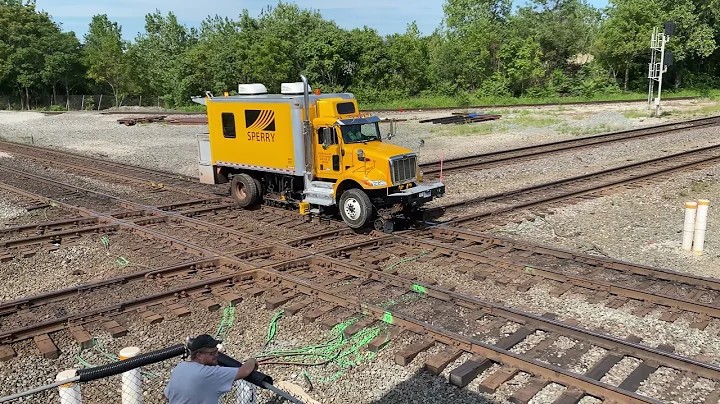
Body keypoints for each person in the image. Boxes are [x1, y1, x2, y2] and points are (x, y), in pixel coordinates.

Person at [164, 334, 259, 404]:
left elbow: (167, 395)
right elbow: (244, 371)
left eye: (216, 351)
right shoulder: (208, 373)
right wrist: (252, 360)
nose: (217, 355)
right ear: (199, 355)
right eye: (212, 353)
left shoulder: (179, 368)